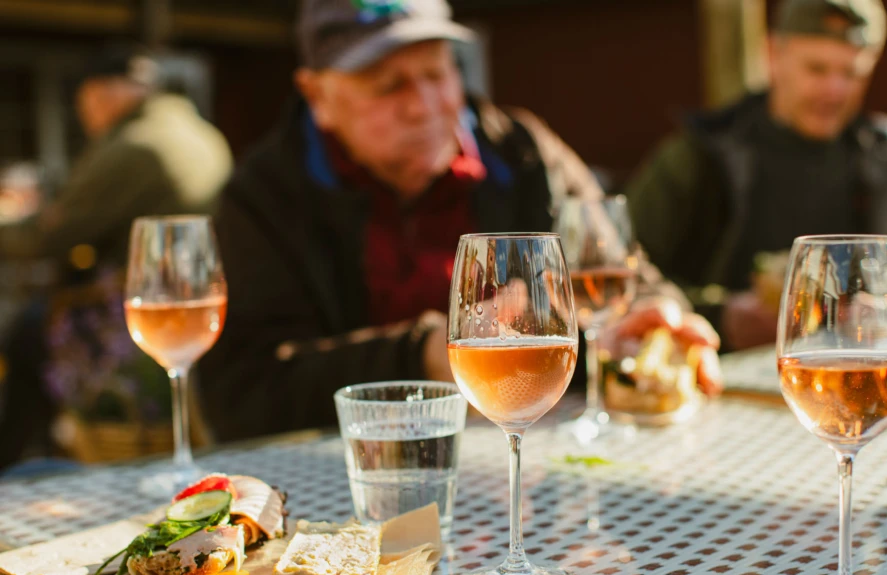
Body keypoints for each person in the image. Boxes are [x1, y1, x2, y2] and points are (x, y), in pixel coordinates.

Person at [197, 0, 722, 443]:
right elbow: (239, 393)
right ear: (318, 96)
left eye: (436, 73)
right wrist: (422, 357)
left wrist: (657, 317)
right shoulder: (265, 196)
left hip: (543, 460)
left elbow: (621, 277)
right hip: (348, 479)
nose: (424, 105)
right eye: (388, 86)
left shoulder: (520, 151)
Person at [627, 0, 887, 352]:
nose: (835, 90)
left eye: (851, 73)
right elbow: (624, 273)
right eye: (816, 68)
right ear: (773, 55)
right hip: (718, 370)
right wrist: (718, 316)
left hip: (860, 372)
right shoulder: (700, 157)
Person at [0, 45, 233, 466]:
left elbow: (51, 235)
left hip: (145, 301)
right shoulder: (200, 131)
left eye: (84, 104)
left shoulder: (135, 144)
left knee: (26, 336)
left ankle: (23, 472)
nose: (85, 117)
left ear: (101, 94)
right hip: (197, 291)